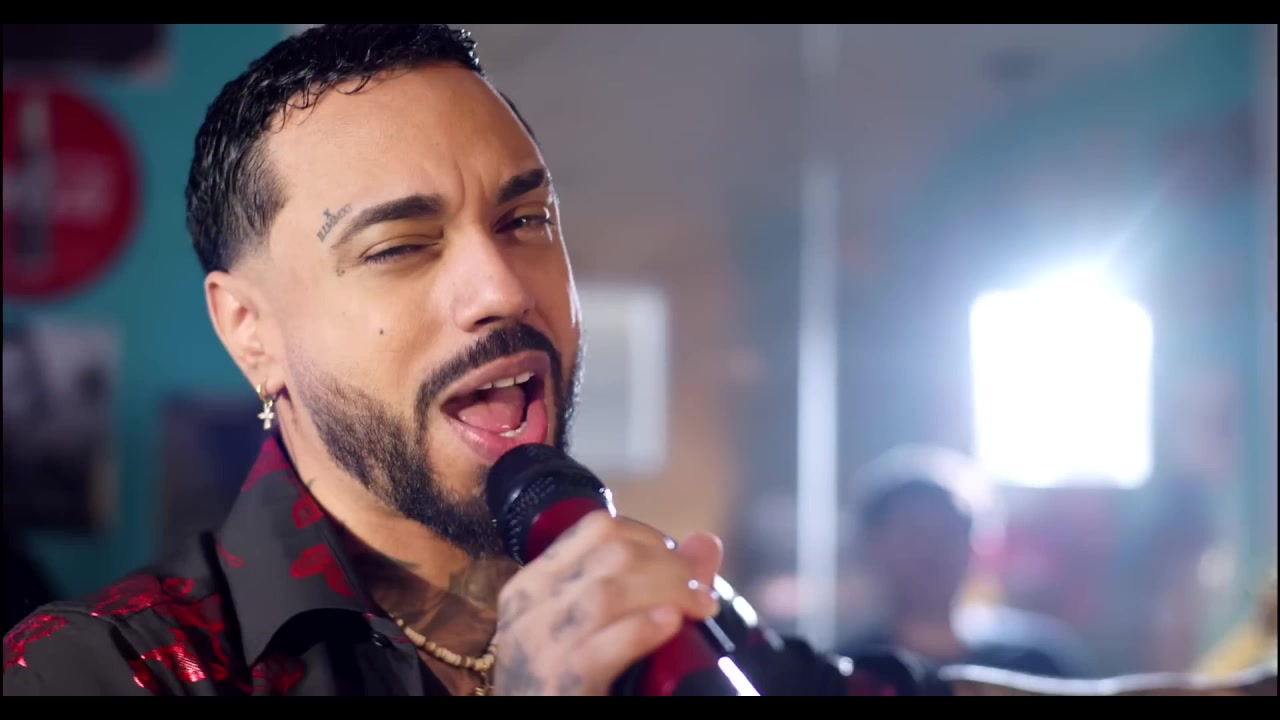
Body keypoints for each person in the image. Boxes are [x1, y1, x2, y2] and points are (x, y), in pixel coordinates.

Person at [2, 24, 1273, 697]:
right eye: (399, 246)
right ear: (250, 329)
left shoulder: (669, 623)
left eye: (525, 220)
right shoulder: (96, 671)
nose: (501, 287)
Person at [837, 445, 1093, 678]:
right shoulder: (847, 673)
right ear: (872, 545)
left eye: (948, 531)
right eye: (912, 534)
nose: (931, 550)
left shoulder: (1037, 663)